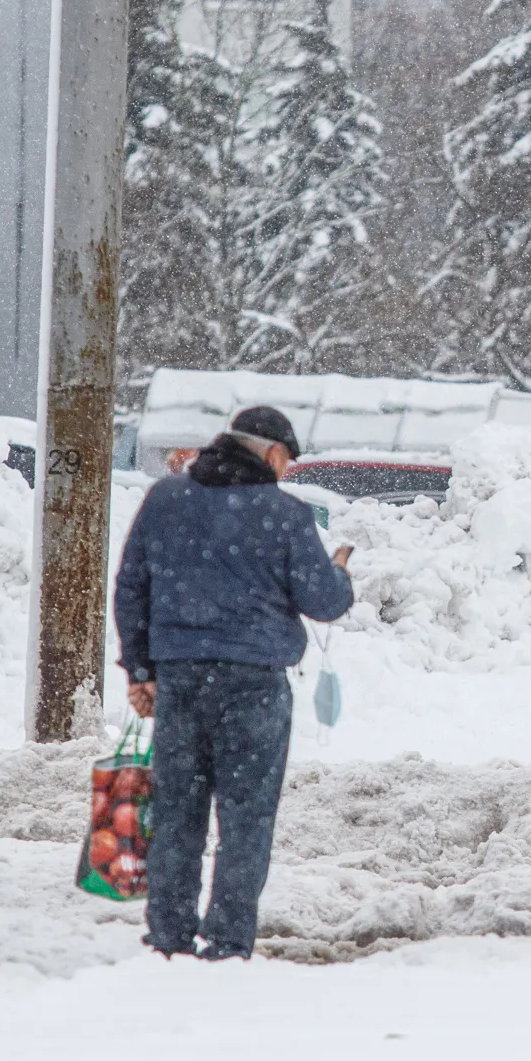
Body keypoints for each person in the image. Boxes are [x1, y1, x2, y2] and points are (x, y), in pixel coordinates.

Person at [115, 405, 354, 961]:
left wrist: (141, 670)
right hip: (254, 686)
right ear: (273, 454)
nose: (286, 473)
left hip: (180, 682)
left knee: (177, 812)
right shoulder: (284, 514)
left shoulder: (166, 500)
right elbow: (323, 601)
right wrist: (340, 571)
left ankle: (169, 933)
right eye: (287, 462)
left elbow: (132, 587)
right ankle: (226, 939)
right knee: (246, 818)